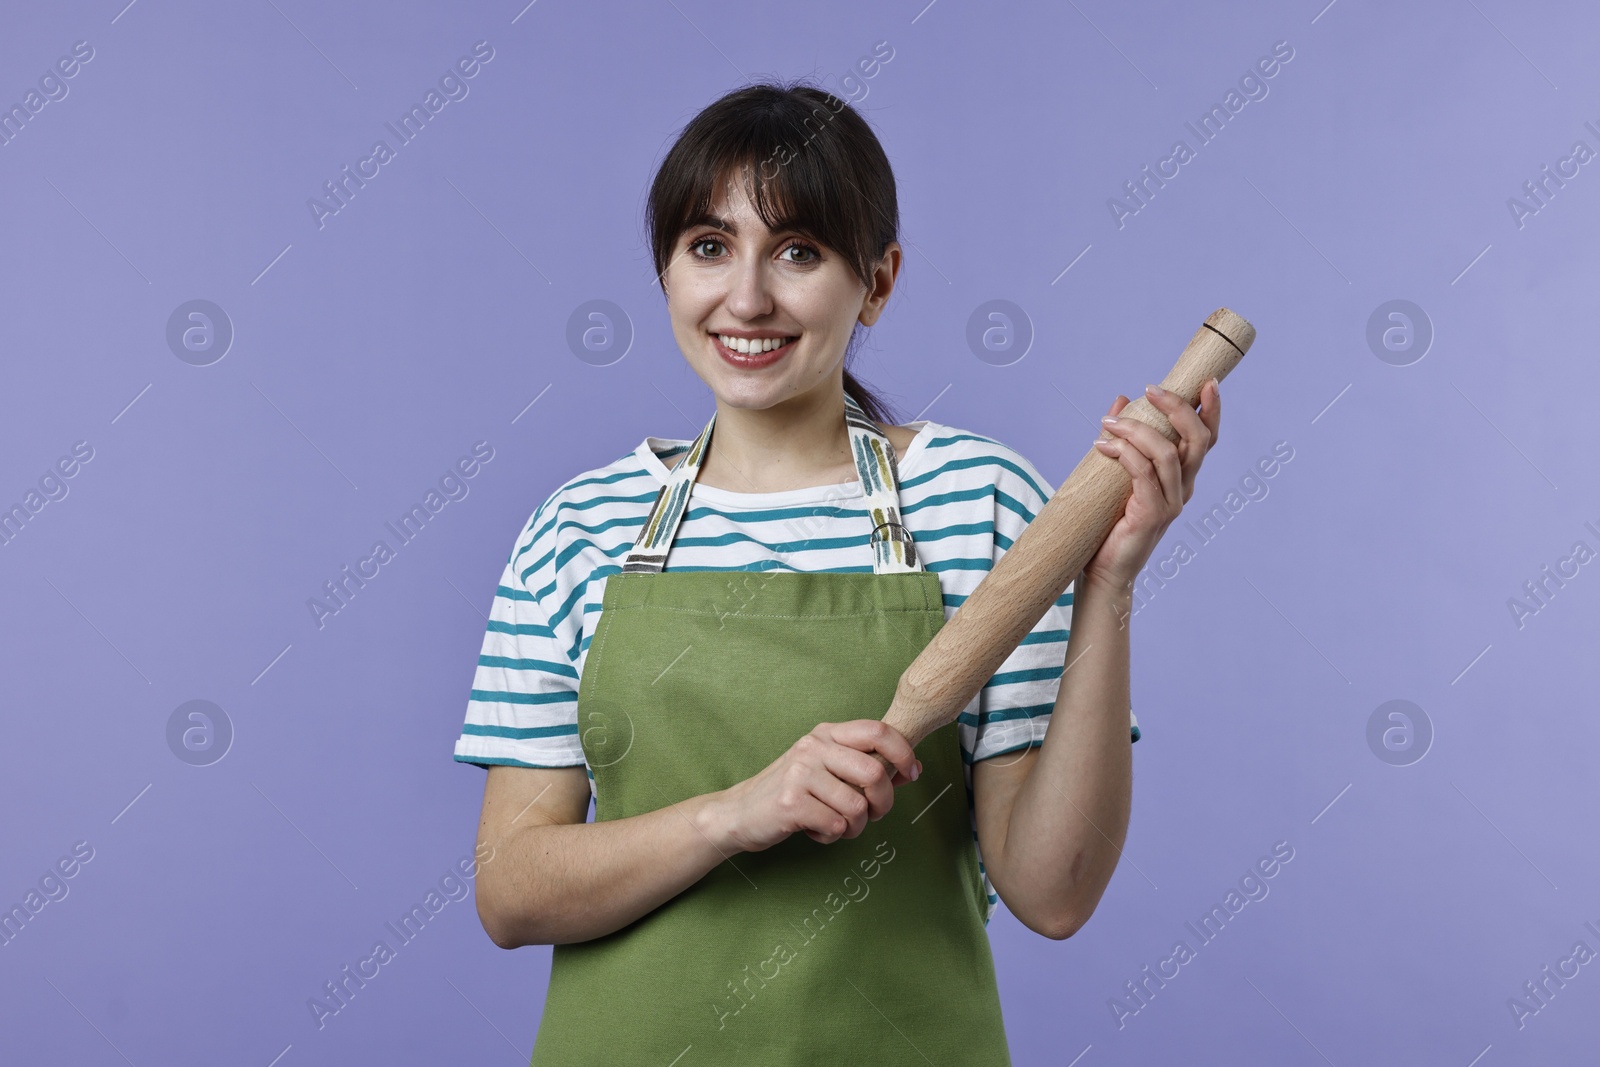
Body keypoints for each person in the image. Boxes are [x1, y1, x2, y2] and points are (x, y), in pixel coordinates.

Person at [455, 80, 1221, 1065]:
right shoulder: (576, 529)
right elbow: (512, 890)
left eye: (799, 251)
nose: (747, 298)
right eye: (707, 247)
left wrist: (1109, 588)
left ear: (879, 277)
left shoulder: (980, 501)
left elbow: (1054, 890)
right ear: (665, 272)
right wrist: (738, 812)